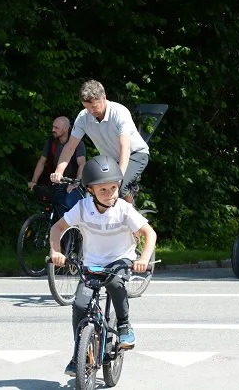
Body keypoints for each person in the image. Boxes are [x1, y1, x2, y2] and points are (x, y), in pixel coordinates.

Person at [49, 155, 157, 376]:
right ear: (90, 191)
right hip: (92, 262)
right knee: (79, 305)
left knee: (116, 283)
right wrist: (55, 251)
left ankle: (125, 325)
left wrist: (143, 259)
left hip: (120, 259)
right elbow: (56, 229)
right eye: (103, 190)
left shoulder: (124, 210)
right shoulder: (82, 208)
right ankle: (77, 352)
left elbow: (149, 233)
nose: (110, 195)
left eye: (114, 188)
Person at [50, 80, 149, 203]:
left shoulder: (119, 112)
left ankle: (133, 216)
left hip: (135, 154)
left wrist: (118, 178)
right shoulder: (83, 117)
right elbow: (70, 147)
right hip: (111, 158)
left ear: (104, 98)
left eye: (94, 106)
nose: (91, 111)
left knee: (119, 187)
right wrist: (59, 171)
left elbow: (125, 147)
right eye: (86, 108)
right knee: (96, 189)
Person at [28, 116, 86, 217]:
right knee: (49, 204)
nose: (53, 130)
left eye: (56, 128)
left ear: (66, 129)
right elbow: (42, 162)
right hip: (56, 181)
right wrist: (34, 181)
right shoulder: (51, 142)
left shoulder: (78, 144)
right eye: (53, 127)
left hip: (72, 182)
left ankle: (73, 231)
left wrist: (76, 183)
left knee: (69, 205)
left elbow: (82, 164)